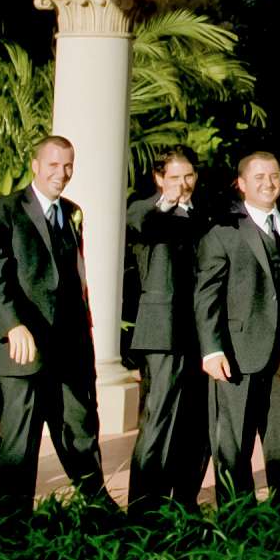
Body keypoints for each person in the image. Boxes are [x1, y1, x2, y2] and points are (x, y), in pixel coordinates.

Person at [0, 134, 112, 519]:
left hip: (67, 349)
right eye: (53, 165)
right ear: (35, 165)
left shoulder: (72, 212)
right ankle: (11, 524)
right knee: (19, 440)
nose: (61, 173)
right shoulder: (3, 211)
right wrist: (13, 324)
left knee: (80, 430)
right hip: (22, 347)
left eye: (68, 165)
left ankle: (99, 510)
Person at [196, 150, 280, 501]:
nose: (268, 183)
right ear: (242, 184)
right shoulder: (223, 230)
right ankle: (237, 529)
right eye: (258, 177)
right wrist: (211, 349)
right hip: (236, 352)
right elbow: (206, 295)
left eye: (273, 175)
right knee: (233, 447)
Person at [123, 150, 207, 511]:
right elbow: (139, 223)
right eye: (174, 177)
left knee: (195, 421)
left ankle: (184, 502)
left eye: (188, 176)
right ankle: (143, 507)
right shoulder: (145, 211)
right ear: (159, 179)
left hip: (202, 333)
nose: (183, 184)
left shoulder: (205, 216)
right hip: (161, 332)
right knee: (159, 418)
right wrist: (166, 201)